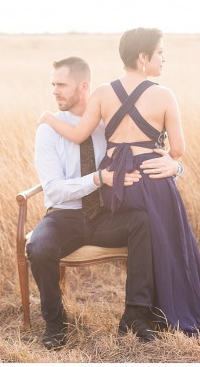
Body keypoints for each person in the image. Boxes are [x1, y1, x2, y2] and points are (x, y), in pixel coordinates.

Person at [39, 28, 200, 336]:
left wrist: (48, 117)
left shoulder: (102, 92)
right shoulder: (165, 95)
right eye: (160, 53)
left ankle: (140, 312)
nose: (164, 59)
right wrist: (172, 162)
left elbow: (77, 134)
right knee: (172, 243)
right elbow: (178, 149)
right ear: (142, 58)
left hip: (116, 183)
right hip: (151, 178)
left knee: (143, 232)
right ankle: (155, 312)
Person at [28, 56, 183, 349]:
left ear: (83, 86)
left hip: (105, 214)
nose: (55, 91)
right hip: (65, 217)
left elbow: (154, 155)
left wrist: (176, 167)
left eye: (61, 85)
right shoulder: (48, 130)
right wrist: (98, 179)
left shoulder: (109, 124)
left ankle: (136, 314)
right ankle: (55, 322)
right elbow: (54, 191)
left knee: (142, 221)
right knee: (39, 246)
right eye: (53, 85)